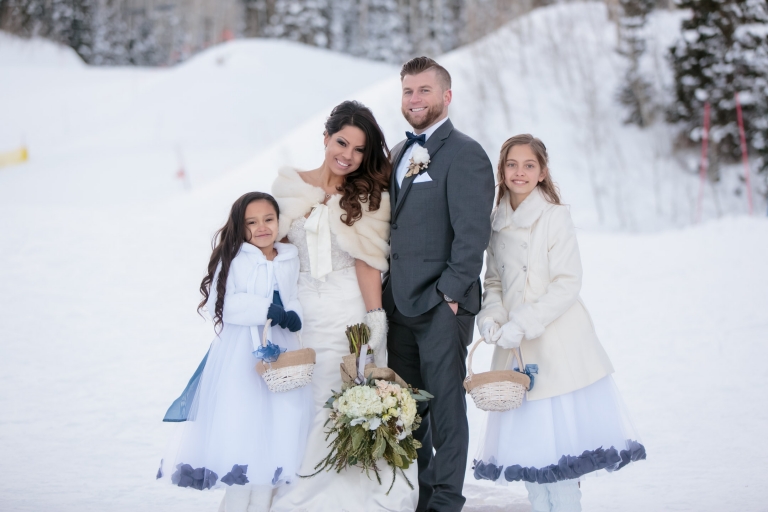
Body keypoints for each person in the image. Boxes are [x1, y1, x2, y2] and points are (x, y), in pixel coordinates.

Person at [473, 134, 647, 512]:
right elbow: (495, 280)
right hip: (514, 351)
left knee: (561, 457)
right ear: (501, 170)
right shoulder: (495, 221)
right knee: (530, 455)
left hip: (556, 346)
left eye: (529, 165)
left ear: (542, 171)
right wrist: (492, 317)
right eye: (512, 164)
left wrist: (523, 321)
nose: (520, 173)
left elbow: (567, 282)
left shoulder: (554, 216)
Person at [269, 100, 419, 512]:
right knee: (303, 399)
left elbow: (368, 261)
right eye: (341, 142)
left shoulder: (370, 194)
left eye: (358, 150)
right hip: (299, 316)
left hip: (347, 312)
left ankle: (352, 495)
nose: (347, 155)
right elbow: (271, 251)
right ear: (325, 138)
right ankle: (294, 485)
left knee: (345, 392)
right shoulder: (288, 186)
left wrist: (375, 318)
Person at [382, 56, 496, 512]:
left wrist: (448, 295)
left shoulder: (465, 153)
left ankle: (447, 500)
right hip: (398, 304)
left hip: (440, 304)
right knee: (408, 409)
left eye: (424, 90)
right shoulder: (396, 153)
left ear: (446, 96)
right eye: (408, 91)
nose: (415, 99)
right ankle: (419, 495)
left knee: (446, 408)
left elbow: (472, 236)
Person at [157, 192, 312, 512]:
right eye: (251, 223)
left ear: (279, 221)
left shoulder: (289, 256)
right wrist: (268, 308)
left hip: (278, 350)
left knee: (277, 429)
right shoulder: (236, 259)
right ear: (240, 228)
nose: (262, 228)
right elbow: (225, 305)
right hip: (242, 353)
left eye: (269, 220)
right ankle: (237, 501)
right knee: (245, 430)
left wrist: (293, 313)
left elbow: (292, 293)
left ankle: (262, 501)